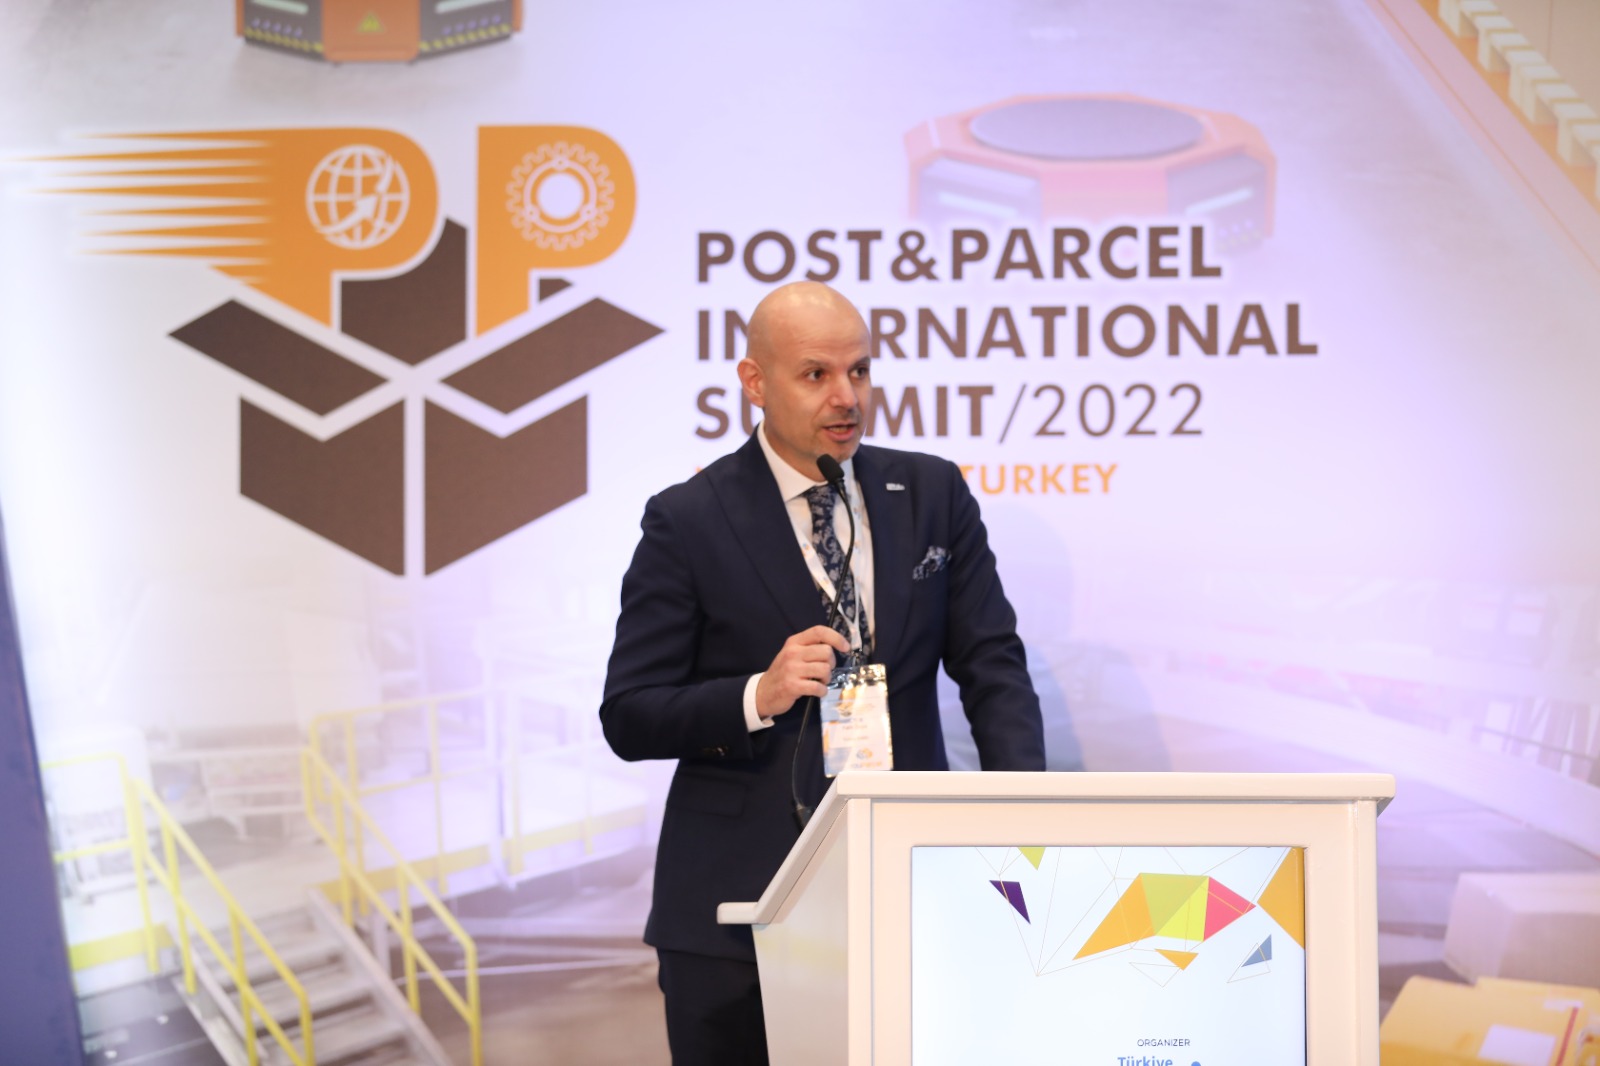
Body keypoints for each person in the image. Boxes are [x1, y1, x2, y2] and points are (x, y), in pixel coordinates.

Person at [600, 281, 1044, 1065]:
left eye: (859, 371)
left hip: (909, 882)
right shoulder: (688, 518)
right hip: (737, 902)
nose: (847, 397)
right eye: (816, 374)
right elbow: (630, 713)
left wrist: (1025, 823)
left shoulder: (931, 492)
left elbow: (992, 665)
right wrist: (757, 694)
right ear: (754, 382)